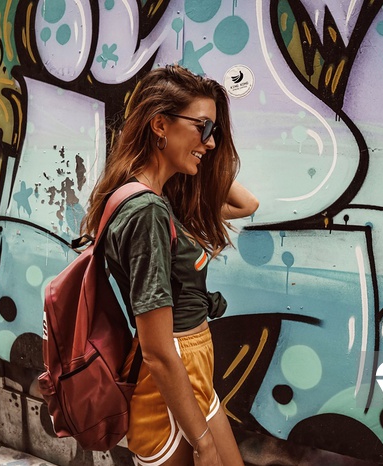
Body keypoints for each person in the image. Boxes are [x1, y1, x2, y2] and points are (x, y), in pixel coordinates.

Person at [81, 64, 258, 465]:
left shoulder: (160, 199)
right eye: (204, 128)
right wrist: (204, 442)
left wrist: (199, 153)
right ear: (160, 125)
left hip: (191, 368)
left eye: (213, 132)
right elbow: (158, 349)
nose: (210, 143)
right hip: (171, 378)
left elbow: (247, 204)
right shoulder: (147, 212)